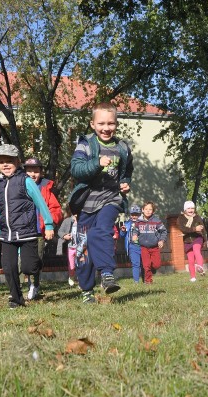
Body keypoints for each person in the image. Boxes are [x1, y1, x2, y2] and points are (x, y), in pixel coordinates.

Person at [0, 158, 63, 300]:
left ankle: (34, 285)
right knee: (15, 263)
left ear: (41, 173)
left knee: (33, 263)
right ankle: (16, 290)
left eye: (36, 171)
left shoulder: (45, 188)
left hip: (37, 231)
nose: (33, 174)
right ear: (24, 171)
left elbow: (54, 208)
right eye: (30, 171)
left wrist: (50, 223)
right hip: (15, 231)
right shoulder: (15, 185)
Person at [68, 102, 133, 303]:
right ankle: (87, 290)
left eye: (111, 123)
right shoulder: (86, 144)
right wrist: (97, 163)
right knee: (84, 249)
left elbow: (127, 171)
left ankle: (106, 274)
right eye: (101, 123)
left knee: (101, 231)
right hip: (87, 202)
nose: (106, 128)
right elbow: (76, 169)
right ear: (92, 124)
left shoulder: (122, 148)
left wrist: (124, 183)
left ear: (116, 124)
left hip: (110, 199)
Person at [0, 144, 55, 309]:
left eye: (9, 161)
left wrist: (48, 224)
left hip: (27, 232)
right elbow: (1, 210)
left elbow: (41, 203)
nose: (5, 165)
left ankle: (37, 265)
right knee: (9, 268)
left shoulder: (25, 180)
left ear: (17, 162)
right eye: (1, 161)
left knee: (28, 267)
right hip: (7, 234)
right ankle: (16, 299)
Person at [131, 201, 167, 284]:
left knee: (156, 265)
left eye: (150, 209)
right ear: (142, 210)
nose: (148, 211)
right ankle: (148, 281)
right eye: (146, 209)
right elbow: (135, 230)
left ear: (153, 211)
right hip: (144, 247)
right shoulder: (138, 222)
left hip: (155, 247)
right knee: (146, 265)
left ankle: (153, 268)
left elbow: (164, 231)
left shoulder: (156, 221)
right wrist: (135, 235)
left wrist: (161, 240)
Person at [177, 201, 207, 282]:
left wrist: (205, 240)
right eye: (189, 208)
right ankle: (193, 277)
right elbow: (183, 229)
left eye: (192, 208)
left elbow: (203, 228)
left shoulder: (197, 217)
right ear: (185, 209)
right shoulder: (181, 218)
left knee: (196, 250)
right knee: (190, 259)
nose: (191, 210)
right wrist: (194, 229)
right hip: (187, 240)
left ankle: (200, 266)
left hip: (197, 237)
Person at [120, 205, 143, 284]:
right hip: (132, 246)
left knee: (144, 264)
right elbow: (122, 235)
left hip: (143, 246)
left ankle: (145, 280)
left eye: (136, 214)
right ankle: (136, 281)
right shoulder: (127, 223)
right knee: (135, 264)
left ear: (139, 215)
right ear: (130, 215)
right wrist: (122, 231)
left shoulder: (143, 223)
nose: (134, 216)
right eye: (133, 214)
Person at [57, 207, 77, 286]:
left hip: (81, 247)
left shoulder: (83, 220)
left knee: (81, 264)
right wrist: (65, 235)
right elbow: (60, 231)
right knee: (71, 265)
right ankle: (71, 276)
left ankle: (81, 279)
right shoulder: (67, 221)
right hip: (71, 247)